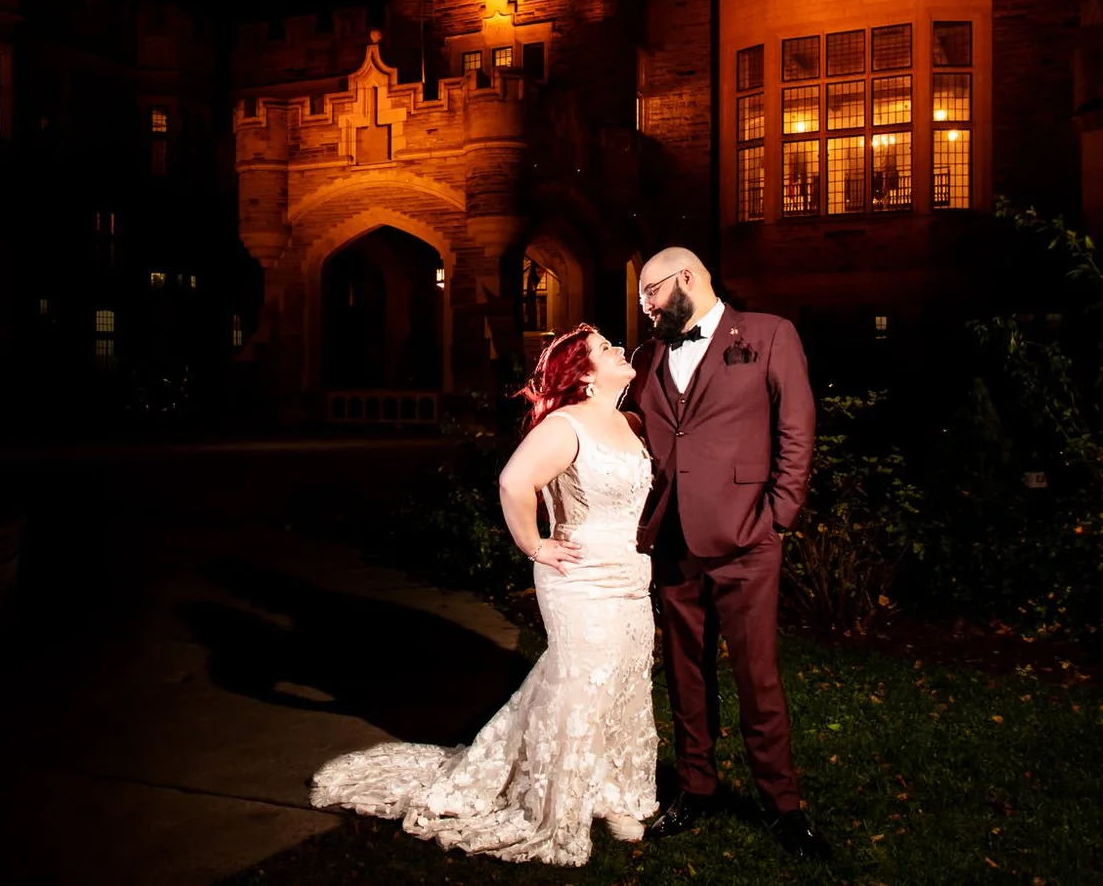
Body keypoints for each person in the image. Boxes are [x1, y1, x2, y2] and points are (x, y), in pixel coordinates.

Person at [310, 325, 658, 866]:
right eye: (605, 348)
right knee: (582, 682)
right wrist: (535, 545)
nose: (618, 348)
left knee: (625, 680)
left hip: (629, 575)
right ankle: (559, 797)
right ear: (584, 374)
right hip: (578, 574)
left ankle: (617, 793)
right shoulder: (565, 426)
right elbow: (513, 482)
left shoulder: (629, 423)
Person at [622, 246, 830, 859]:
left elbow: (797, 426)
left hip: (747, 538)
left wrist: (780, 516)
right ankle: (696, 787)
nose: (645, 306)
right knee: (686, 673)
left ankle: (782, 805)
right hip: (673, 538)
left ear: (686, 278)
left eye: (651, 292)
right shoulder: (648, 354)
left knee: (756, 675)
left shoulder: (768, 335)